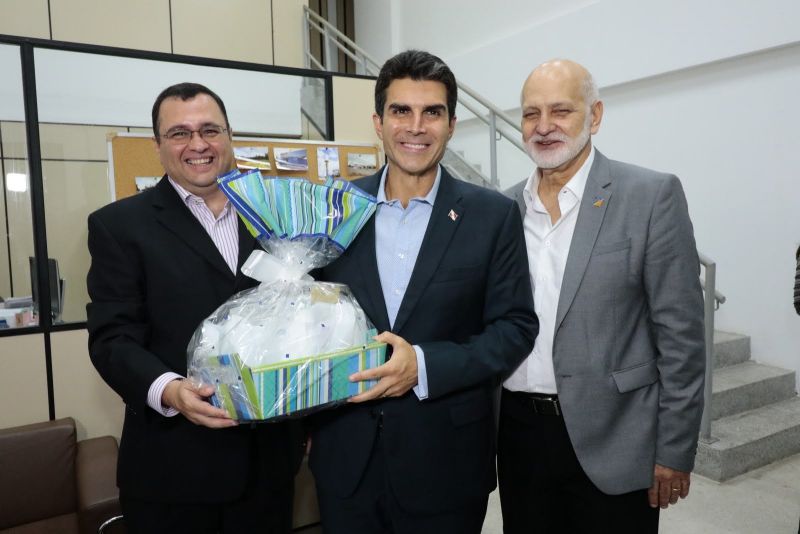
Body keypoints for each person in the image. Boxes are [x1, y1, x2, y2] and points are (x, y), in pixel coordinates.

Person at [309, 50, 538, 533]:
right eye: (400, 111)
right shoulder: (333, 210)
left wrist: (424, 365)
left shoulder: (492, 215)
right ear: (378, 121)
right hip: (345, 458)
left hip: (446, 465)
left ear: (451, 124)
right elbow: (309, 320)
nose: (416, 126)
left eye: (431, 112)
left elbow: (515, 328)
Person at [498, 59, 706, 533]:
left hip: (617, 437)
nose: (544, 127)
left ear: (594, 116)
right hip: (520, 437)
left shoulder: (650, 196)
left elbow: (681, 337)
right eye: (531, 113)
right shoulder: (503, 208)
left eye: (561, 111)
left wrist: (673, 449)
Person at [86, 82, 301, 534]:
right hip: (173, 474)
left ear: (229, 135)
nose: (198, 145)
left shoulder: (275, 215)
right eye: (180, 133)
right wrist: (170, 391)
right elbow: (112, 339)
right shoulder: (119, 226)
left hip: (269, 468)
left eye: (210, 130)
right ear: (158, 145)